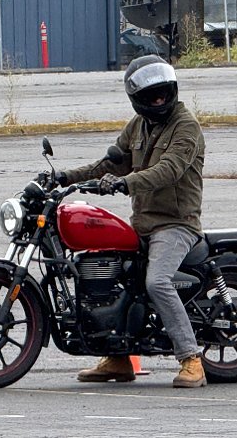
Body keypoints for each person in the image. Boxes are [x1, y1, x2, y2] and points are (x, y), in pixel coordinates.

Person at [62, 54, 209, 387]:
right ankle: (118, 358)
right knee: (110, 274)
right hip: (142, 222)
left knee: (157, 282)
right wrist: (65, 178)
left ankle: (191, 359)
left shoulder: (186, 126)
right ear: (139, 99)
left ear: (170, 89)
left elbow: (169, 170)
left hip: (175, 224)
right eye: (151, 94)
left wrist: (126, 182)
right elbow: (111, 162)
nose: (158, 99)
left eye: (162, 92)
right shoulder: (138, 126)